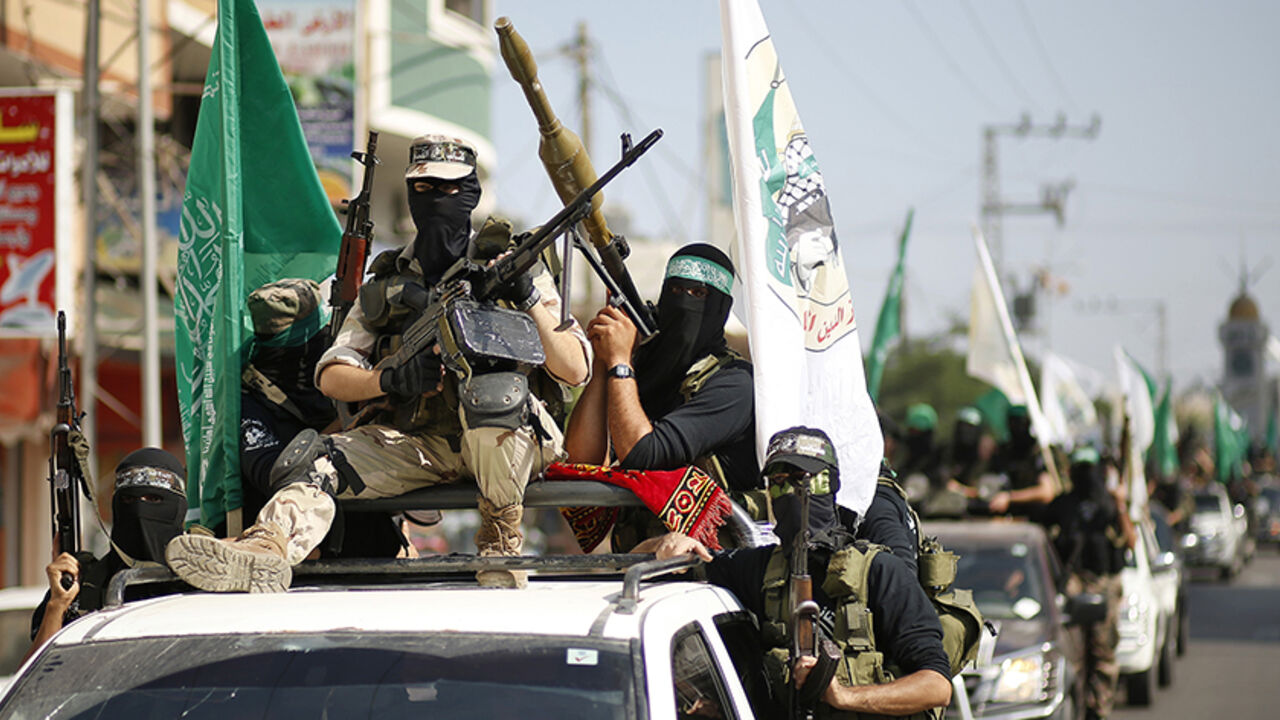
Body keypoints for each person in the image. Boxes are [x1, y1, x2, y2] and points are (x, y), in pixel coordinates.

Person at [167, 134, 590, 591]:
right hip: (421, 445)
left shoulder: (513, 266)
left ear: (471, 193)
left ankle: (501, 542)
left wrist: (527, 296)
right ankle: (268, 547)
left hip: (510, 442)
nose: (435, 201)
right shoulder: (387, 283)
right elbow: (331, 375)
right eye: (423, 189)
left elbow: (575, 369)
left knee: (494, 394)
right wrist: (389, 380)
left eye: (448, 189)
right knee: (317, 459)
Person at [641, 427, 952, 718]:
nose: (791, 493)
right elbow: (641, 569)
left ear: (831, 485)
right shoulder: (760, 569)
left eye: (805, 481)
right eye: (778, 483)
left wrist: (843, 695)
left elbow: (936, 686)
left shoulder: (878, 572)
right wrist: (662, 544)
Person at [564, 243, 757, 549]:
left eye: (699, 294)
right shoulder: (645, 370)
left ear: (721, 308)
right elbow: (581, 462)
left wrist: (620, 363)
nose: (684, 302)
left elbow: (643, 455)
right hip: (638, 558)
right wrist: (604, 361)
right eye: (676, 291)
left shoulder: (735, 383)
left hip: (711, 565)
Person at [239, 278, 403, 558]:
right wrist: (350, 419)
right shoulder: (250, 401)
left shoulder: (345, 371)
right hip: (294, 554)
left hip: (374, 545)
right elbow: (275, 472)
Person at [26, 448, 186, 660]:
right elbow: (33, 670)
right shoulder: (84, 584)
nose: (139, 510)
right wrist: (57, 605)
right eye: (128, 500)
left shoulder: (199, 582)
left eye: (154, 499)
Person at [1041, 447, 1134, 720]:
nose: (1085, 476)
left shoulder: (1111, 504)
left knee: (1102, 651)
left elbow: (1130, 541)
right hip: (1073, 583)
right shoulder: (1064, 504)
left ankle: (1099, 708)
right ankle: (1076, 706)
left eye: (1088, 469)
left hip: (1103, 583)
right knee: (1073, 653)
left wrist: (1120, 506)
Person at [987, 405, 1057, 517]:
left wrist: (1010, 497)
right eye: (1013, 422)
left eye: (1020, 422)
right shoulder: (1003, 451)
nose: (1016, 427)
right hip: (1004, 516)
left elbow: (1046, 492)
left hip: (1033, 517)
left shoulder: (1037, 452)